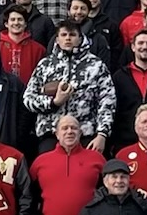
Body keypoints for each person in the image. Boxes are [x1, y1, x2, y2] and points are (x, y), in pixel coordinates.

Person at [22, 20, 116, 153]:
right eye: (63, 35)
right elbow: (28, 98)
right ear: (57, 39)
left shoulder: (96, 65)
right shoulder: (45, 65)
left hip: (85, 133)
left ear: (80, 38)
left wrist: (102, 134)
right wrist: (53, 102)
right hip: (51, 133)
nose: (67, 38)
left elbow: (107, 100)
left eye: (72, 35)